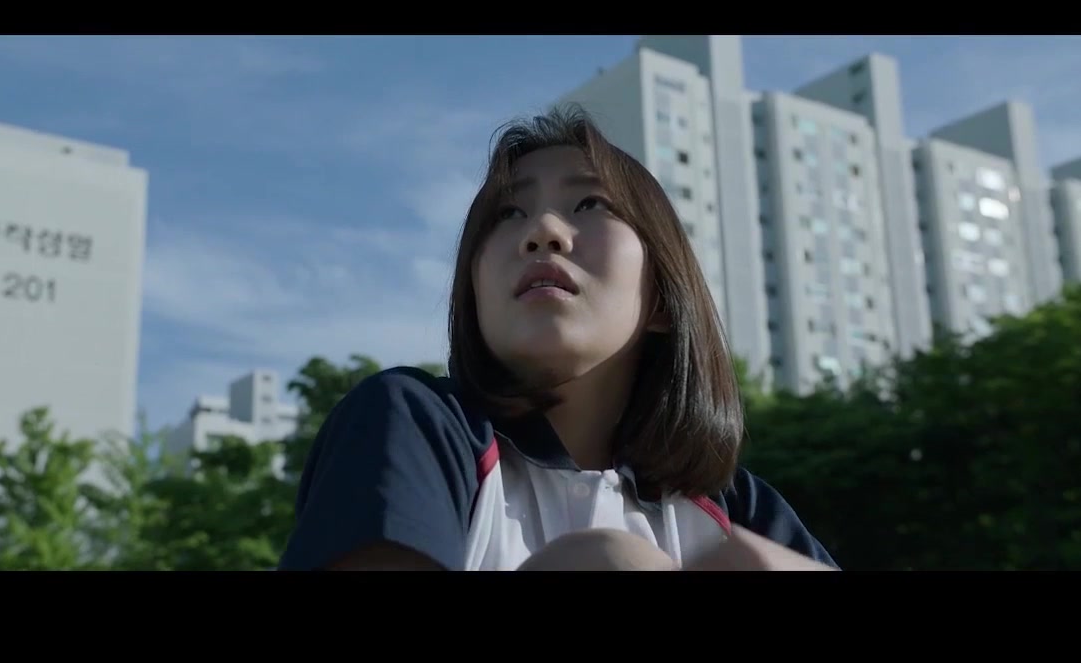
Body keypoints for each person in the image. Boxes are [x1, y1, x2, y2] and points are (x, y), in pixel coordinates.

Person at [277, 104, 838, 571]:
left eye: (590, 204)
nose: (542, 231)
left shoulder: (742, 510)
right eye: (508, 213)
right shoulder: (413, 423)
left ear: (663, 301)